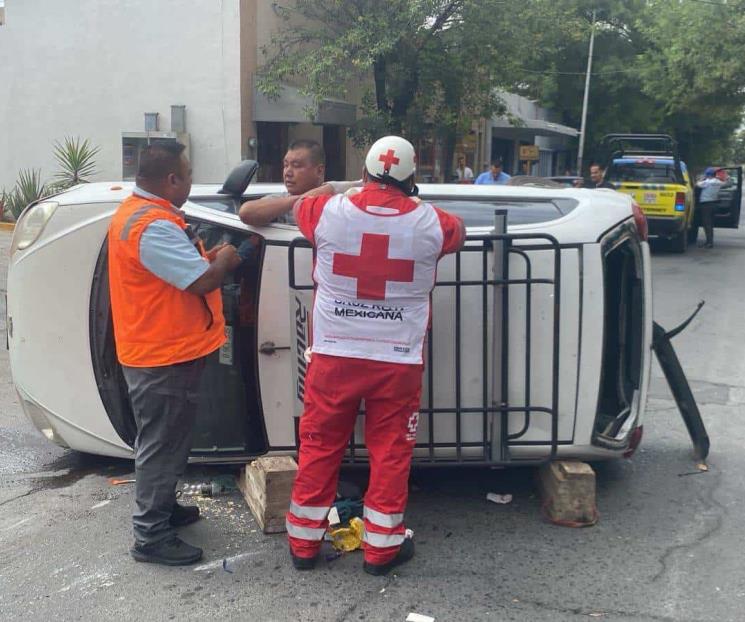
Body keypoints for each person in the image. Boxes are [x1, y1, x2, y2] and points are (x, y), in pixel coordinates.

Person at [240, 135, 465, 576]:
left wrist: (338, 189)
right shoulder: (433, 223)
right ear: (411, 178)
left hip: (335, 355)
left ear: (363, 172)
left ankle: (303, 546)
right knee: (390, 453)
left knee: (320, 446)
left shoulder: (325, 211)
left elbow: (300, 202)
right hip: (397, 360)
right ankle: (381, 552)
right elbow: (456, 229)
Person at [108, 142, 241, 566]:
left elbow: (180, 269)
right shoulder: (153, 226)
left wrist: (209, 257)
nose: (189, 181)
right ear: (171, 180)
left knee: (170, 438)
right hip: (160, 356)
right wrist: (229, 260)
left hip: (163, 350)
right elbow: (200, 283)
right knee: (161, 445)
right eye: (186, 174)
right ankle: (150, 535)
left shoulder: (142, 215)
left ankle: (163, 507)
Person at [696, 167, 723, 248]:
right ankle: (709, 241)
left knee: (707, 224)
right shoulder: (718, 182)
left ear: (708, 175)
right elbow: (727, 183)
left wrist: (701, 179)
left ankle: (709, 243)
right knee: (710, 224)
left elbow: (697, 184)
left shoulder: (706, 182)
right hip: (714, 204)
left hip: (706, 205)